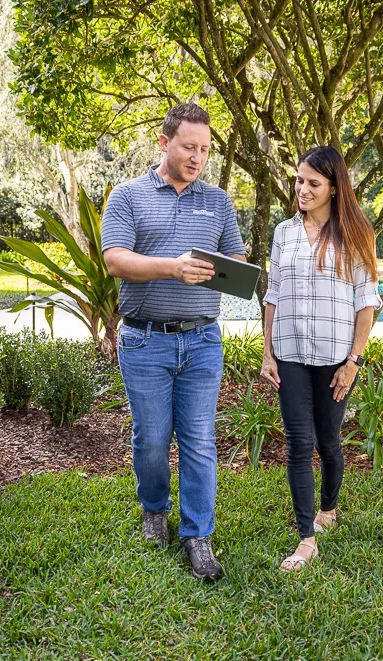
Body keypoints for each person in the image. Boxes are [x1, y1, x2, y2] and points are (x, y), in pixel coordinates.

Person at [101, 103, 247, 582]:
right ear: (164, 143)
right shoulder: (128, 196)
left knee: (200, 440)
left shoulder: (218, 201)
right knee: (152, 439)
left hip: (203, 340)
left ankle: (198, 535)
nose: (198, 157)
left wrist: (229, 271)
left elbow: (236, 261)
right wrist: (173, 265)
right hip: (145, 341)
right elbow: (116, 261)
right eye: (189, 147)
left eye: (205, 149)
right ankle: (153, 509)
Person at [259, 145, 381, 572]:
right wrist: (267, 350)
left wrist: (354, 360)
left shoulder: (355, 234)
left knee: (328, 440)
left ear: (333, 187)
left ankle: (328, 508)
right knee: (298, 443)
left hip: (334, 355)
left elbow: (366, 302)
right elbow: (272, 294)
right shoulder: (283, 233)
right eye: (298, 181)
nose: (302, 189)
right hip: (290, 351)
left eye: (313, 183)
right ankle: (306, 538)